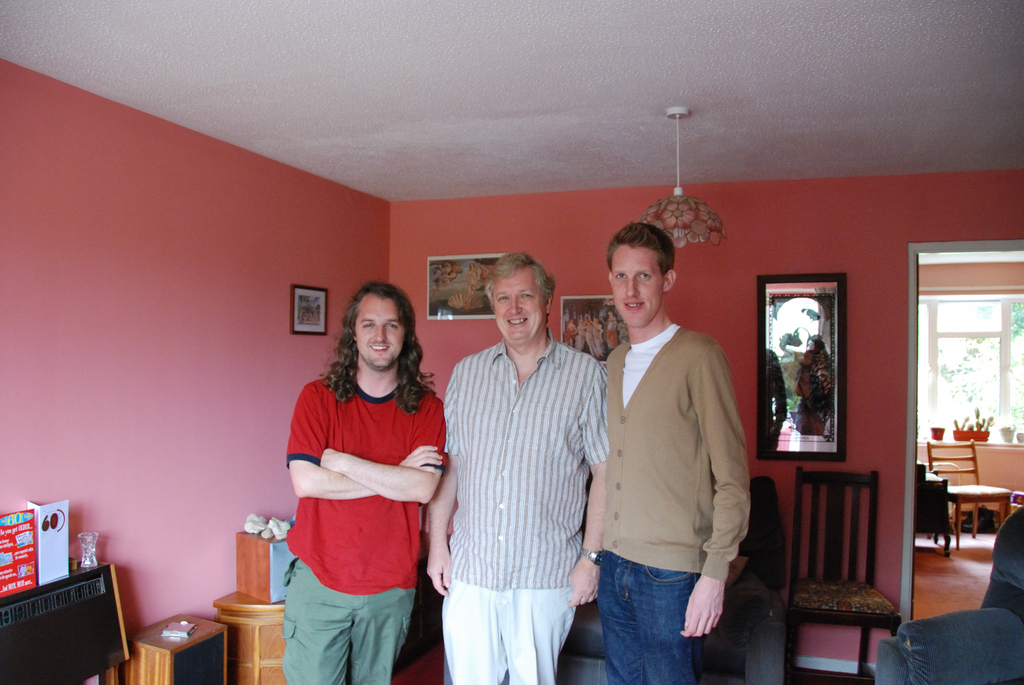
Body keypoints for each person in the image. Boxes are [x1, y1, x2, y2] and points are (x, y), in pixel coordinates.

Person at [427, 252, 609, 685]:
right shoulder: (467, 374)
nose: (514, 308)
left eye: (525, 296)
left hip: (543, 575)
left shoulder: (585, 376)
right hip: (472, 570)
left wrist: (591, 559)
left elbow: (606, 473)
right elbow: (451, 468)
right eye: (503, 298)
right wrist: (437, 545)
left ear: (546, 301)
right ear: (493, 306)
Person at [599, 223, 750, 685]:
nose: (631, 290)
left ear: (667, 280)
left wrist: (714, 574)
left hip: (671, 575)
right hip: (614, 564)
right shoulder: (616, 361)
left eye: (643, 276)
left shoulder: (699, 356)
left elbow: (732, 478)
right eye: (621, 276)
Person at [282, 281, 446, 685]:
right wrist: (397, 472)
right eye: (369, 324)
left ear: (405, 334)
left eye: (392, 325)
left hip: (389, 589)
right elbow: (306, 481)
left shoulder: (428, 408)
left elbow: (422, 489)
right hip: (319, 583)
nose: (380, 335)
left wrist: (342, 462)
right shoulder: (317, 398)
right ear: (353, 333)